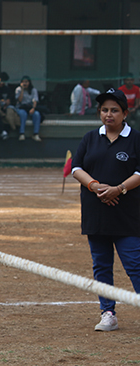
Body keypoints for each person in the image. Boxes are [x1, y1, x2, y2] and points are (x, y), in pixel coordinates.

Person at [71, 88, 140, 332]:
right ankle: (107, 313)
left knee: (135, 264)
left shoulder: (136, 139)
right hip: (96, 213)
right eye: (104, 110)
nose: (108, 114)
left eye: (114, 110)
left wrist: (119, 189)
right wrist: (95, 186)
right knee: (101, 265)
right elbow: (76, 167)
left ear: (125, 114)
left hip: (127, 214)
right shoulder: (90, 138)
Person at [15, 76, 42, 141]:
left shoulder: (33, 90)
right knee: (23, 114)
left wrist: (33, 108)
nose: (25, 83)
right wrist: (22, 89)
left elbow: (35, 100)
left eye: (26, 82)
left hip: (30, 107)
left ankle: (36, 134)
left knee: (37, 114)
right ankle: (21, 133)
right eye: (23, 82)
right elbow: (20, 100)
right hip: (21, 107)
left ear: (29, 82)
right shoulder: (18, 89)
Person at [0, 71, 15, 140]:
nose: (1, 82)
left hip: (5, 106)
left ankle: (10, 129)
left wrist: (7, 102)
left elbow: (10, 99)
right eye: (0, 80)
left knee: (10, 111)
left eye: (3, 81)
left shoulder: (7, 89)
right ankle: (1, 131)